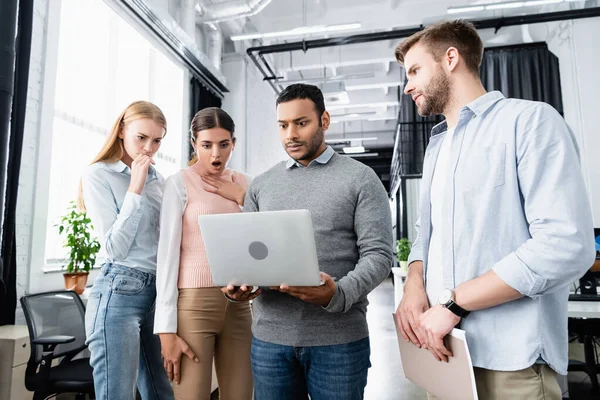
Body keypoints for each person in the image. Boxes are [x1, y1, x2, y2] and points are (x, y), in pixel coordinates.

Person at [394, 20, 595, 399]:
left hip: (511, 363)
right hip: (445, 354)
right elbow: (426, 235)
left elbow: (566, 245)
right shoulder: (437, 148)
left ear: (451, 58)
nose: (407, 85)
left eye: (415, 70)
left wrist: (454, 303)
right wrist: (414, 283)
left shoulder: (530, 122)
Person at [223, 83, 393, 400]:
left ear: (324, 120)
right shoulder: (262, 185)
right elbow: (253, 257)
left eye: (301, 123)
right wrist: (244, 286)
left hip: (339, 341)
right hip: (270, 341)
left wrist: (338, 293)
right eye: (283, 125)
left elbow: (379, 255)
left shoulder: (361, 178)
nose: (291, 134)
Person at [154, 107, 255, 400]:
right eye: (206, 145)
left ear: (233, 143)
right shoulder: (179, 183)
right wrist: (165, 331)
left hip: (240, 306)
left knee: (240, 396)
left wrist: (240, 197)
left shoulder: (246, 183)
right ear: (193, 143)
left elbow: (263, 241)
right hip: (194, 307)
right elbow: (167, 257)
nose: (216, 154)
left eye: (224, 145)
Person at [80, 101, 174, 400]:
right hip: (119, 290)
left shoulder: (160, 181)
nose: (149, 148)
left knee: (162, 393)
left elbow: (168, 242)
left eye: (157, 140)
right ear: (122, 130)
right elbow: (114, 248)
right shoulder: (98, 174)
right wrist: (135, 185)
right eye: (141, 137)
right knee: (117, 394)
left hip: (157, 294)